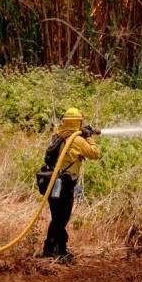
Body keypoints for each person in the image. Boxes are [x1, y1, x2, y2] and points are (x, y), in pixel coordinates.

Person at [41, 107, 100, 262]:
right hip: (64, 183)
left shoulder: (57, 135)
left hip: (51, 181)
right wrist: (89, 137)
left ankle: (57, 249)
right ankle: (54, 250)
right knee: (62, 218)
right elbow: (95, 154)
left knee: (57, 217)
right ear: (77, 122)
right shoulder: (77, 139)